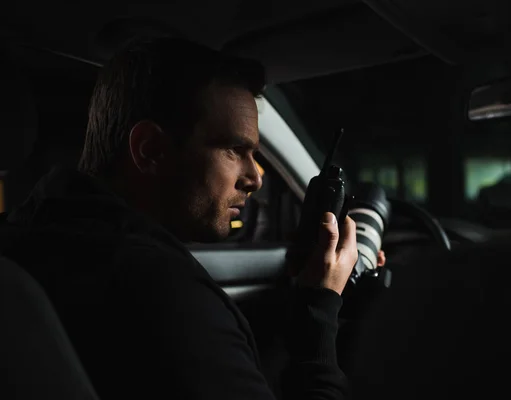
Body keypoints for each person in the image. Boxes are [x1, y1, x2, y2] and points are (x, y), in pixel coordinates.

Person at [0, 37, 359, 400]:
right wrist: (320, 314)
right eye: (236, 150)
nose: (256, 177)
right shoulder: (162, 294)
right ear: (150, 150)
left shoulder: (24, 238)